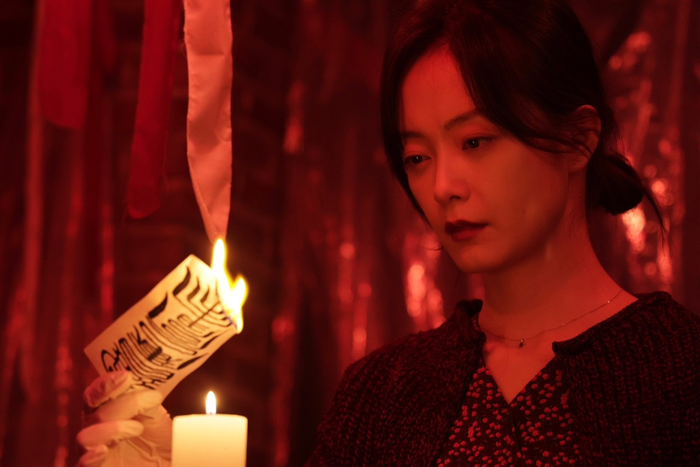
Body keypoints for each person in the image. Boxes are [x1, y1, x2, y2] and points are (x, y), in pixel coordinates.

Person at [77, 0, 700, 465]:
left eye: (475, 141)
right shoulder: (381, 393)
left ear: (579, 139)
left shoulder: (677, 371)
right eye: (418, 157)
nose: (443, 185)